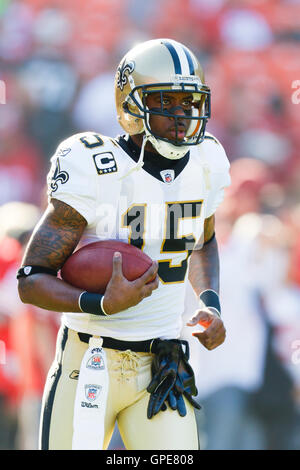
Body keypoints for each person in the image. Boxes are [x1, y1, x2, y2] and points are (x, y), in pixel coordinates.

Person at [17, 38, 231, 450]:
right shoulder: (95, 167)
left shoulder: (206, 163)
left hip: (163, 361)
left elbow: (203, 241)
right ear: (131, 105)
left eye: (189, 103)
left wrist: (210, 304)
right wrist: (100, 304)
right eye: (166, 101)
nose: (181, 116)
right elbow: (31, 280)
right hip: (90, 362)